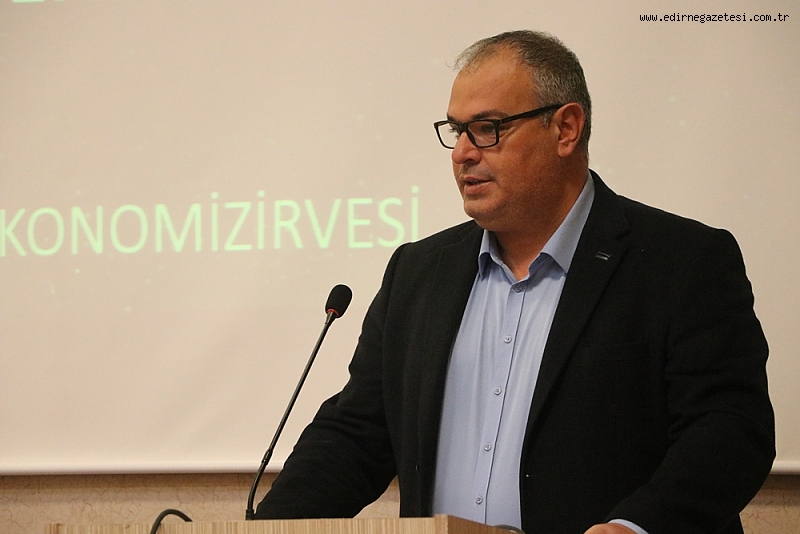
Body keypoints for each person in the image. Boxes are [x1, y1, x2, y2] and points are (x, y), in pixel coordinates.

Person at [255, 30, 775, 534]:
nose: (462, 152)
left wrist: (635, 527)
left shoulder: (680, 261)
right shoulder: (418, 272)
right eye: (456, 130)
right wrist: (266, 528)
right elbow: (357, 434)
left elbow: (729, 429)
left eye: (487, 128)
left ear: (566, 129)